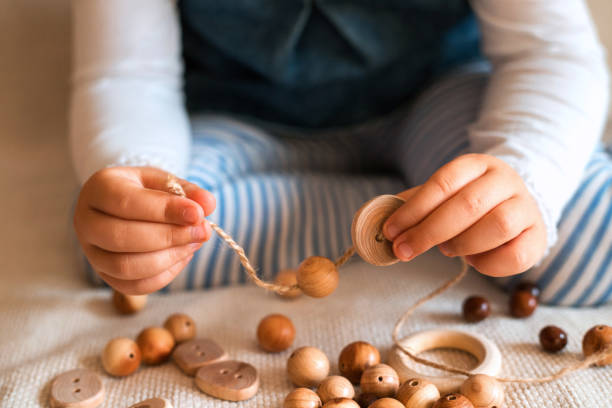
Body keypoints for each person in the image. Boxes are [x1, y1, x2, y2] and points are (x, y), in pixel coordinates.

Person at [70, 0, 611, 306]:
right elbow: (129, 76)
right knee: (136, 250)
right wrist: (136, 170)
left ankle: (415, 211)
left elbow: (550, 49)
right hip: (241, 116)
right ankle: (389, 213)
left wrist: (526, 176)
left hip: (434, 97)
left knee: (589, 238)